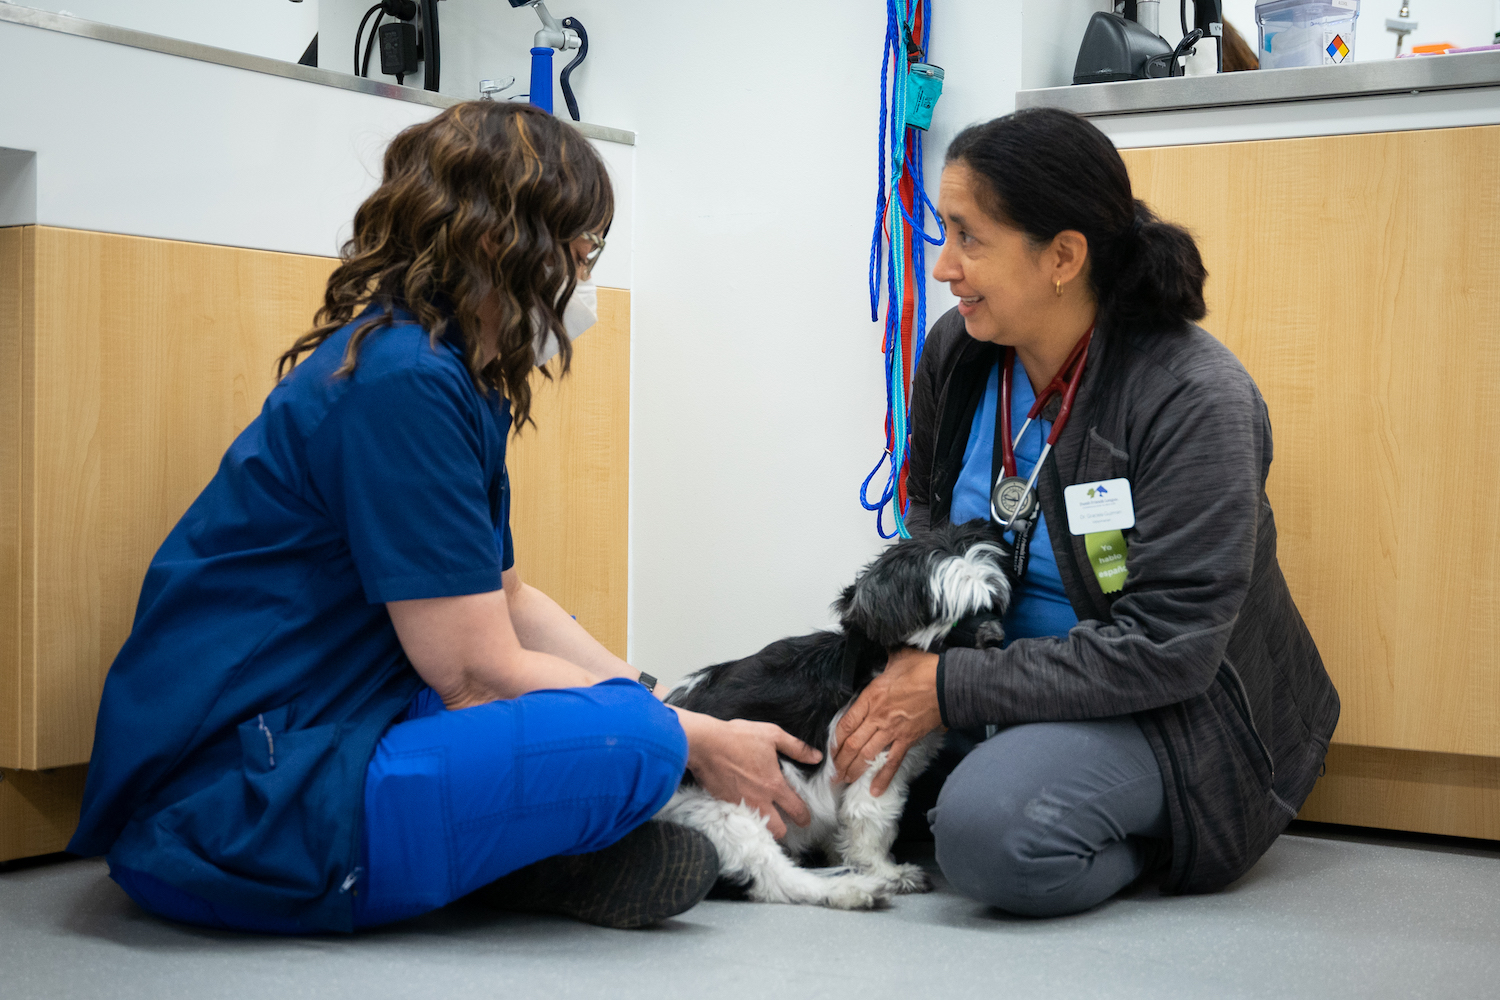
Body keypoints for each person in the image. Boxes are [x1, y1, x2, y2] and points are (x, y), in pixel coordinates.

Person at [67, 101, 821, 933]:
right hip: (236, 807)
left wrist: (673, 702)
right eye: (580, 251)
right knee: (632, 747)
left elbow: (509, 599)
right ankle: (508, 862)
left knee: (632, 726)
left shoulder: (441, 373)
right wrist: (689, 739)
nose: (587, 278)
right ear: (503, 242)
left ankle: (511, 858)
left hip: (334, 722)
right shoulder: (402, 384)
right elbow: (477, 673)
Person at [834, 108, 1339, 918]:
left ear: (1064, 256)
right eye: (944, 232)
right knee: (793, 732)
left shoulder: (1191, 397)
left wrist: (955, 689)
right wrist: (905, 671)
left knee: (986, 835)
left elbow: (1168, 651)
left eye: (969, 238)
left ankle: (1158, 832)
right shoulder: (957, 354)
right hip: (989, 683)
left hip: (1164, 711)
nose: (942, 266)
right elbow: (929, 527)